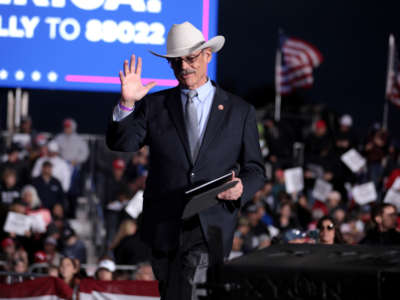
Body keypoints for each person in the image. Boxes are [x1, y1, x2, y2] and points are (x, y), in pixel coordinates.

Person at [106, 21, 265, 300]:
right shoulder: (156, 105)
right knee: (174, 291)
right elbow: (122, 143)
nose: (184, 66)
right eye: (176, 61)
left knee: (191, 285)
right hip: (164, 224)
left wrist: (242, 188)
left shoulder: (239, 111)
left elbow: (255, 169)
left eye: (190, 58)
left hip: (210, 223)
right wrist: (127, 104)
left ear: (207, 55)